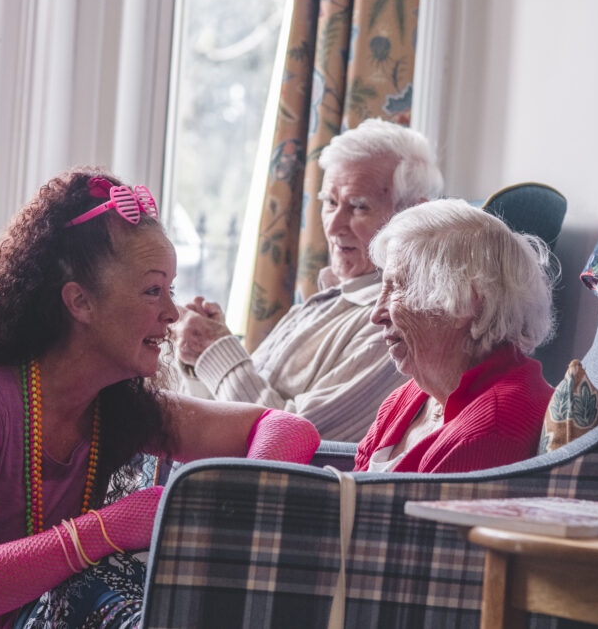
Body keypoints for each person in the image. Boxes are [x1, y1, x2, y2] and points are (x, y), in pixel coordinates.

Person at [0, 168, 320, 628]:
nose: (172, 312)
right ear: (80, 302)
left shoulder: (114, 403)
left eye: (170, 290)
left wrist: (240, 510)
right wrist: (111, 527)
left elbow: (287, 429)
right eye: (153, 290)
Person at [175, 118, 444, 442]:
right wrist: (199, 358)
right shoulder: (329, 300)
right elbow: (221, 421)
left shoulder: (393, 325)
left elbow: (287, 442)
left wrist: (217, 351)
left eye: (358, 206)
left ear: (412, 216)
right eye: (330, 202)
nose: (333, 226)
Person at [353, 198, 557, 473]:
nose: (376, 314)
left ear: (464, 301)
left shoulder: (490, 431)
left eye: (398, 287)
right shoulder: (411, 397)